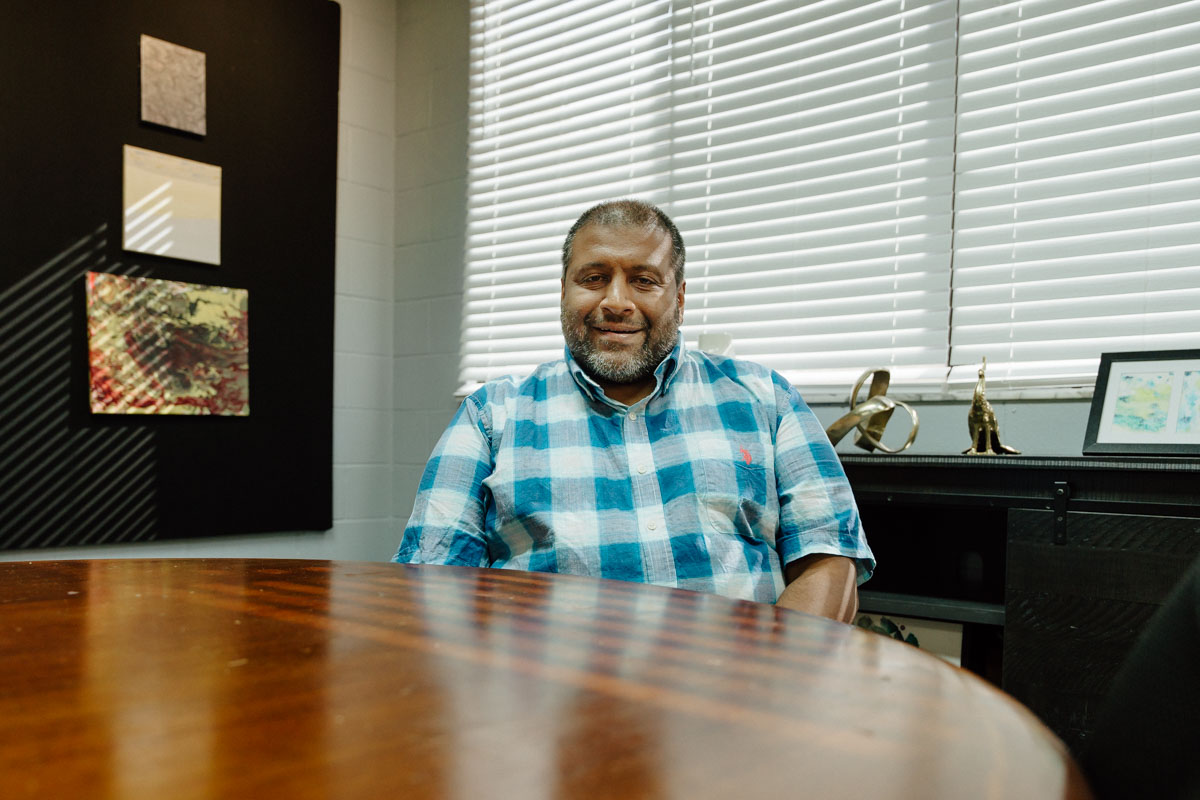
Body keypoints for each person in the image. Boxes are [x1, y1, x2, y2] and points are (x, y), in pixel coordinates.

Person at [394, 199, 873, 621]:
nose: (616, 301)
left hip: (737, 700)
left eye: (643, 280)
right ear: (564, 291)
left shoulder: (766, 397)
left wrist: (774, 683)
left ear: (679, 298)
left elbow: (829, 558)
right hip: (545, 709)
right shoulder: (490, 415)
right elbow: (432, 581)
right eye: (594, 279)